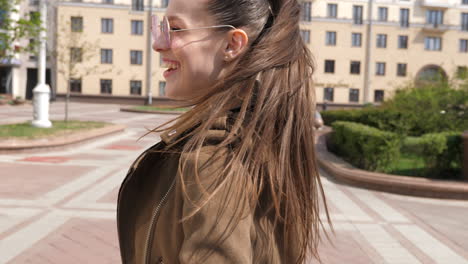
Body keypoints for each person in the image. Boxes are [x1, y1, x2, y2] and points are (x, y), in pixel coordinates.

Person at [117, 0, 331, 263]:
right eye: (160, 27)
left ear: (231, 45)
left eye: (175, 28)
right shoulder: (264, 136)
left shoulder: (214, 160)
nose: (158, 44)